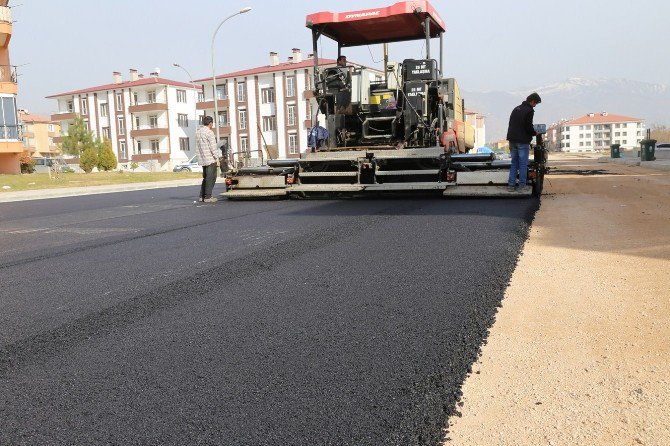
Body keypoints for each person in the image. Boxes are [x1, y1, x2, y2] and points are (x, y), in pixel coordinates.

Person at [506, 92, 541, 191]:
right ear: (532, 101)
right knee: (522, 163)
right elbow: (528, 127)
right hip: (522, 141)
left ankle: (511, 185)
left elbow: (511, 124)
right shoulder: (529, 111)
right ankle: (522, 185)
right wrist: (535, 133)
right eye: (536, 103)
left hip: (512, 140)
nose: (535, 106)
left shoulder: (516, 109)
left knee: (514, 163)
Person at [195, 116, 220, 203]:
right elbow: (213, 147)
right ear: (210, 123)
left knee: (205, 178)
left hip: (202, 159)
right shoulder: (210, 133)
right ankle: (208, 197)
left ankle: (202, 196)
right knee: (212, 177)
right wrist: (217, 159)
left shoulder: (198, 132)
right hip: (210, 159)